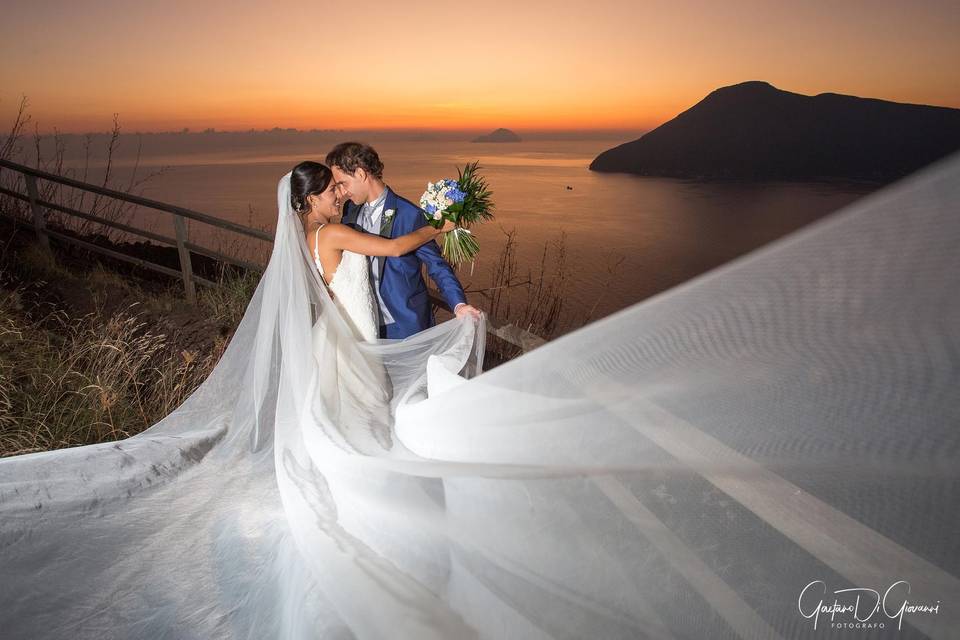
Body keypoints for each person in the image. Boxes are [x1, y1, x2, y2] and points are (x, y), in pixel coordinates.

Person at [325, 142, 482, 339]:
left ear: (360, 174)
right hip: (361, 323)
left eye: (342, 183)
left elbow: (437, 266)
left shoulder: (410, 214)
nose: (341, 192)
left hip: (404, 325)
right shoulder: (350, 210)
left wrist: (458, 304)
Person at [289, 160, 456, 342]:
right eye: (332, 190)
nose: (340, 194)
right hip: (359, 324)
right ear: (312, 199)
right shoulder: (331, 233)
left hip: (343, 323)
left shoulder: (307, 235)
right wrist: (437, 228)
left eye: (338, 186)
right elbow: (395, 248)